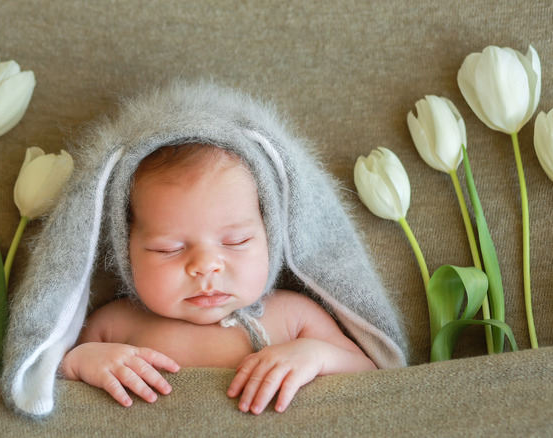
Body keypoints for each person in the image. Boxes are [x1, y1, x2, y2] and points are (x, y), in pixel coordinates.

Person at [59, 143, 377, 415]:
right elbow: (43, 375)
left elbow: (371, 371)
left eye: (236, 241)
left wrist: (315, 355)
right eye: (168, 248)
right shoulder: (115, 325)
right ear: (125, 251)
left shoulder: (293, 316)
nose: (206, 266)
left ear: (272, 238)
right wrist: (80, 360)